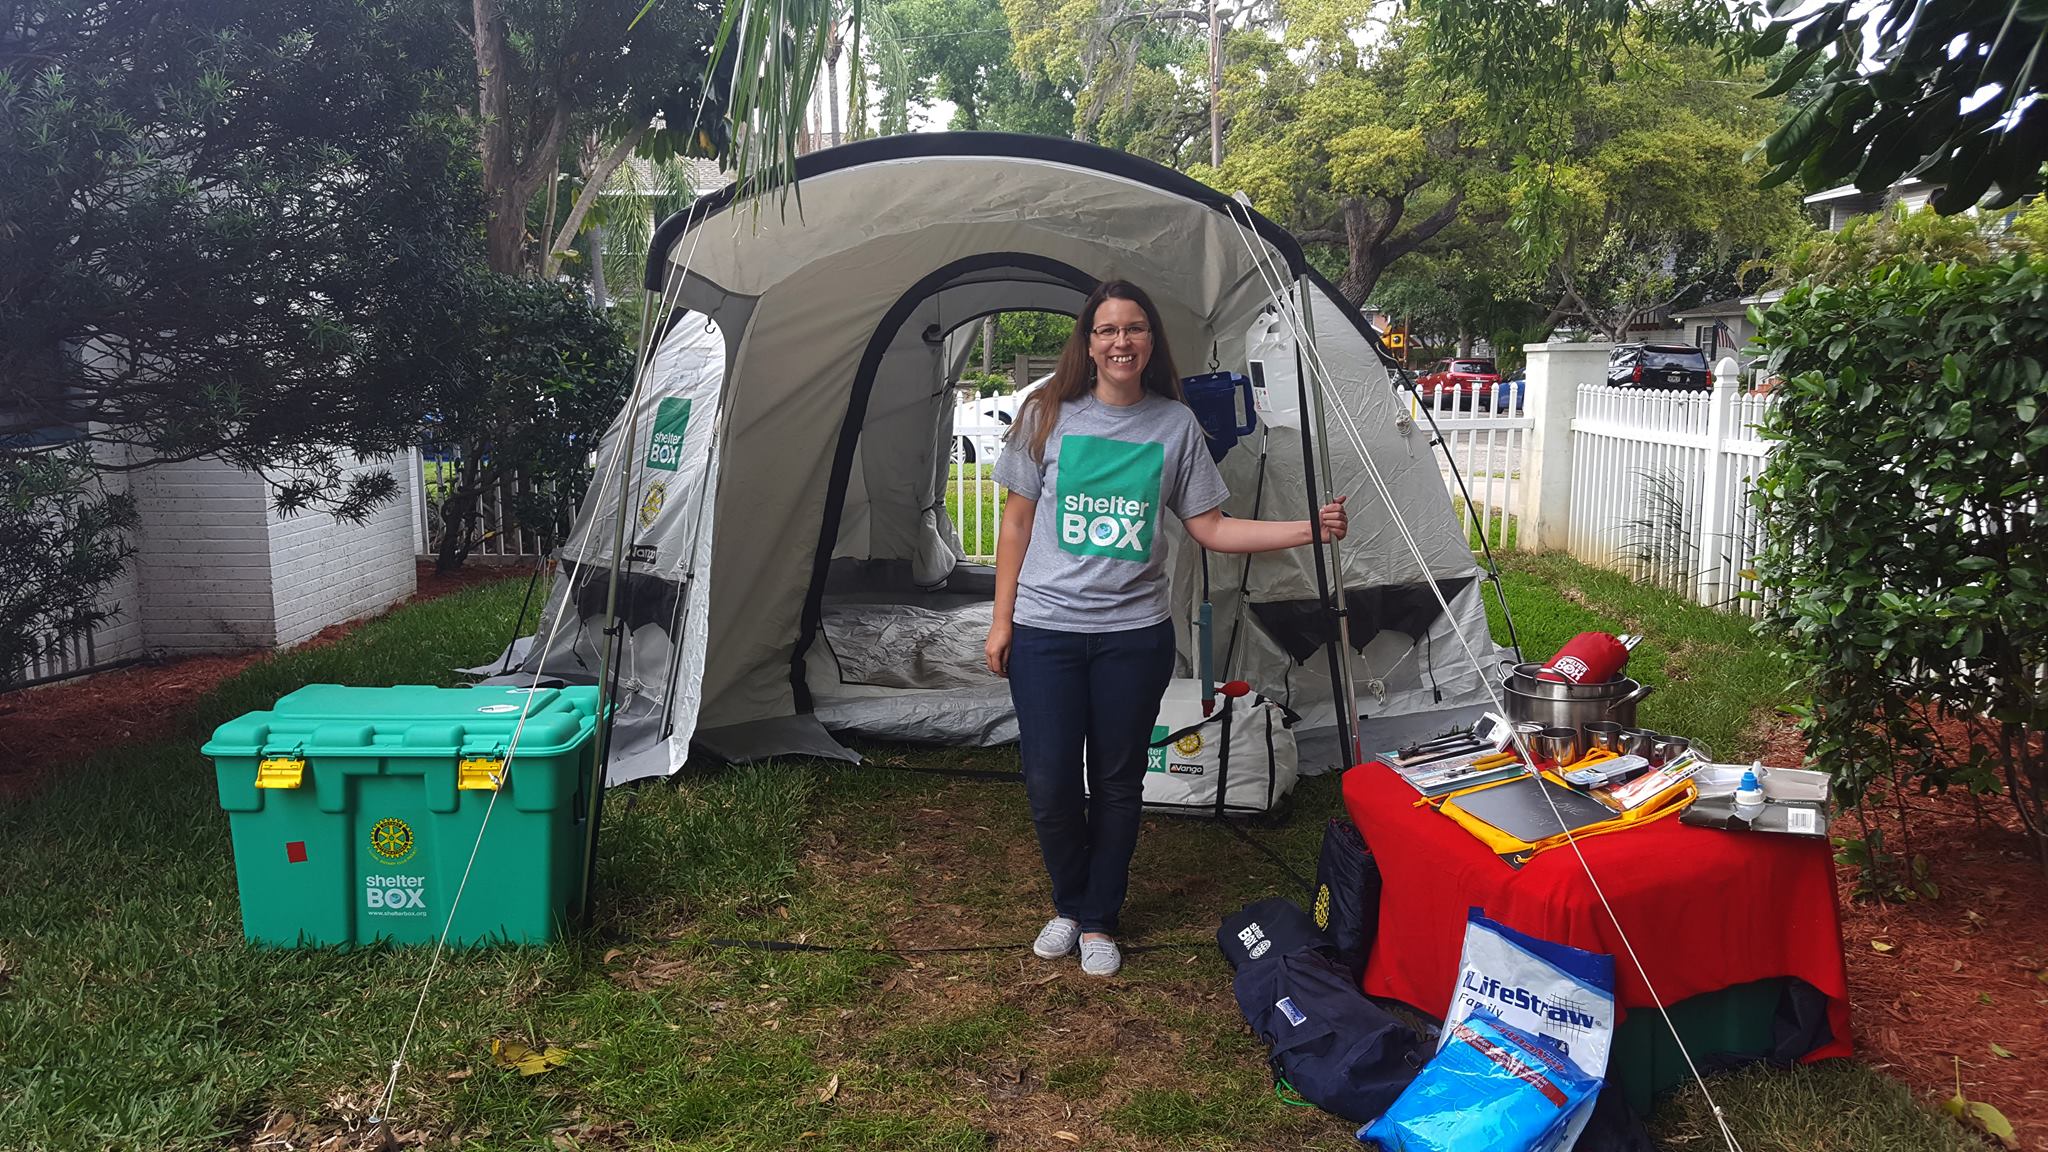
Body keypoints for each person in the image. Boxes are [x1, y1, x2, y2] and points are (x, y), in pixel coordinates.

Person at [986, 279, 1348, 977]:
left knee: (1119, 782)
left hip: (1133, 635)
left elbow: (1210, 527)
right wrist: (1001, 620)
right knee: (1050, 779)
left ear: (1150, 341)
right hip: (1046, 630)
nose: (1121, 341)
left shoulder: (1175, 426)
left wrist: (1309, 528)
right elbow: (1018, 519)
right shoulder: (1046, 413)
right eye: (1107, 330)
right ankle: (1067, 902)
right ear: (1088, 344)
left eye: (1134, 329)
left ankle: (1098, 917)